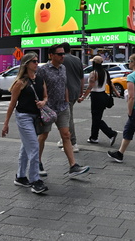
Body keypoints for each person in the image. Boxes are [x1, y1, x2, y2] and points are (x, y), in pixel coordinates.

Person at [37, 44, 89, 178]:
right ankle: (37, 162)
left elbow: (64, 85)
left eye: (63, 54)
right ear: (51, 55)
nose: (62, 56)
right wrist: (42, 102)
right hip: (48, 108)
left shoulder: (63, 68)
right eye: (59, 54)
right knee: (43, 136)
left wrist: (66, 100)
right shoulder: (43, 70)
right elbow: (38, 88)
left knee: (66, 135)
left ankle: (73, 166)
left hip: (62, 107)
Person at [2, 52, 49, 194]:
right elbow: (12, 104)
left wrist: (43, 102)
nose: (36, 63)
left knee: (25, 146)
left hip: (36, 117)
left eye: (37, 61)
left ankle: (21, 176)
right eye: (34, 61)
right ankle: (35, 180)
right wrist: (6, 124)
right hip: (23, 116)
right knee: (34, 146)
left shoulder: (40, 79)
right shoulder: (20, 83)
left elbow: (46, 96)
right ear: (26, 64)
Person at [78, 56, 120, 146]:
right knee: (96, 117)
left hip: (96, 97)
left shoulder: (94, 73)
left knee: (96, 118)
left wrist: (83, 97)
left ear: (94, 63)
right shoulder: (105, 72)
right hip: (103, 95)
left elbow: (90, 87)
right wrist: (116, 92)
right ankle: (94, 137)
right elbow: (110, 83)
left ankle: (111, 133)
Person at [55, 42, 82, 153]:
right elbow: (81, 77)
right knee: (67, 115)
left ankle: (72, 143)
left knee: (67, 117)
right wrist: (81, 92)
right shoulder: (77, 59)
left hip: (66, 92)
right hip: (75, 91)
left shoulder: (62, 60)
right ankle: (64, 139)